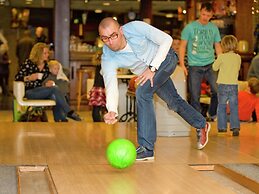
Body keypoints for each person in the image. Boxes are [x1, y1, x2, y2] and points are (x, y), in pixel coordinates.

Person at [98, 17, 211, 161]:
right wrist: (112, 109)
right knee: (173, 102)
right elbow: (110, 83)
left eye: (113, 36)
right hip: (149, 74)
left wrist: (152, 68)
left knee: (142, 93)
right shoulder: (107, 56)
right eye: (105, 38)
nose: (111, 42)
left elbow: (167, 40)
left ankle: (146, 148)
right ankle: (201, 124)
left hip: (166, 59)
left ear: (121, 30)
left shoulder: (136, 28)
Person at [15, 42, 81, 122]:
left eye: (47, 53)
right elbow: (17, 78)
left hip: (44, 90)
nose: (47, 55)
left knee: (55, 94)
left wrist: (48, 83)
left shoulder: (47, 66)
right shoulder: (29, 63)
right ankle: (69, 112)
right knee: (54, 90)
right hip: (30, 91)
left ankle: (60, 119)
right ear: (38, 53)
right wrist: (28, 78)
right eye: (45, 53)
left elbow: (62, 72)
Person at [179, 2, 222, 121]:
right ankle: (197, 119)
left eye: (208, 16)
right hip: (194, 66)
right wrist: (182, 64)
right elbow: (182, 46)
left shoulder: (213, 28)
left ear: (212, 15)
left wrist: (221, 62)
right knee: (194, 94)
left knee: (217, 90)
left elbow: (217, 46)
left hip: (210, 64)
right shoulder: (189, 27)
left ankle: (212, 114)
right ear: (200, 12)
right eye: (203, 14)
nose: (205, 18)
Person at [212, 35, 241, 136]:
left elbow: (214, 68)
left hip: (222, 85)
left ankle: (222, 128)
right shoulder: (238, 57)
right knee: (234, 107)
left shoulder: (222, 57)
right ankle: (235, 127)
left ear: (223, 46)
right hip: (233, 85)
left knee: (222, 106)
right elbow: (237, 69)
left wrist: (217, 58)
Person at [0, 27, 10, 96]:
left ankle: (5, 92)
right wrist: (8, 62)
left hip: (3, 69)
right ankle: (5, 92)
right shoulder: (3, 53)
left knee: (3, 82)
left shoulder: (4, 52)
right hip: (3, 69)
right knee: (4, 82)